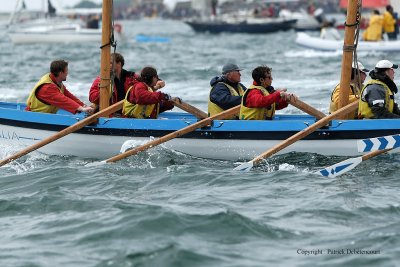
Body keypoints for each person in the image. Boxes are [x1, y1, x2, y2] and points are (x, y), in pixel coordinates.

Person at [26, 59, 94, 114]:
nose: (67, 73)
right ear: (60, 73)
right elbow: (64, 100)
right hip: (34, 116)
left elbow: (68, 95)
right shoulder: (47, 88)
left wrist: (83, 105)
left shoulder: (56, 81)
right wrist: (81, 109)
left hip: (46, 116)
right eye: (66, 71)